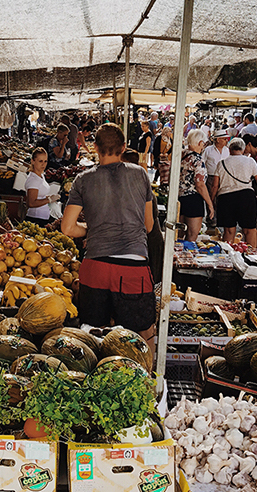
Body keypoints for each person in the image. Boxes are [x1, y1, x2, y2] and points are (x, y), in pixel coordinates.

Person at [61, 123, 156, 354]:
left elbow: (67, 228)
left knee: (96, 334)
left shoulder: (83, 180)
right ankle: (149, 381)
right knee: (143, 333)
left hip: (96, 266)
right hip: (134, 267)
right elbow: (149, 225)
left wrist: (91, 229)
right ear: (124, 147)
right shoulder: (140, 174)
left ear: (95, 147)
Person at [211, 138, 257, 246]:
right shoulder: (250, 161)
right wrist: (256, 191)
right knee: (249, 230)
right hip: (246, 197)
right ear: (243, 149)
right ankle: (251, 256)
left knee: (229, 231)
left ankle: (229, 257)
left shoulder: (222, 163)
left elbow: (215, 185)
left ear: (229, 149)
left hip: (226, 198)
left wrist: (211, 200)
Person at [123, 149, 164, 283]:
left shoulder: (141, 189)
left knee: (150, 283)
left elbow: (148, 227)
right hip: (140, 244)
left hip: (149, 244)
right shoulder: (129, 186)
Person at [178, 129, 215, 241]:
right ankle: (186, 257)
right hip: (193, 200)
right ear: (200, 143)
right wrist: (210, 204)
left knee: (178, 234)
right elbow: (200, 184)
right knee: (192, 234)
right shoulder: (197, 160)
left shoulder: (181, 155)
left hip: (179, 197)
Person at [24, 148, 60, 227]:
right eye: (40, 161)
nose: (43, 164)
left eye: (45, 161)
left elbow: (40, 195)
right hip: (35, 219)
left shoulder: (41, 175)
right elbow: (31, 203)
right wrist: (49, 199)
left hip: (42, 218)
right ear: (33, 161)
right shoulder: (33, 180)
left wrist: (50, 197)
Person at [202, 128, 231, 194]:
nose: (226, 141)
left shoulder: (227, 150)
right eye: (224, 139)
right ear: (218, 140)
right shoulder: (208, 150)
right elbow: (202, 162)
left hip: (223, 177)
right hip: (211, 177)